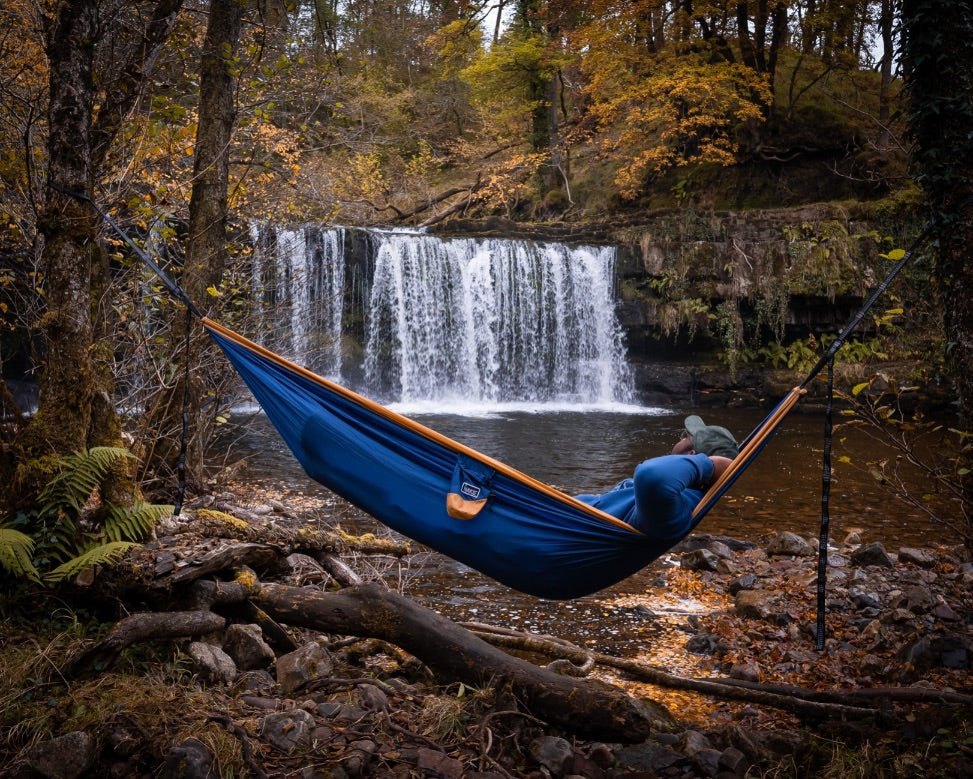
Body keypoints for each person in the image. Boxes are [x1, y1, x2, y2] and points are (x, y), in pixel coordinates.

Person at [575, 415, 739, 542]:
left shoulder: (674, 508)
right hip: (562, 514)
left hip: (560, 526)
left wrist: (706, 465)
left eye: (684, 437)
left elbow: (651, 474)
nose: (679, 439)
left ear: (692, 455)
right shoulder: (674, 496)